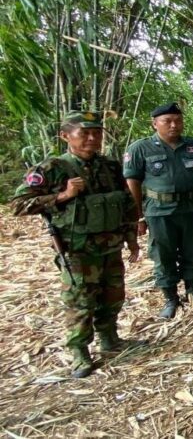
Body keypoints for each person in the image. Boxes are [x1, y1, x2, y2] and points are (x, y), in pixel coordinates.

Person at [9, 111, 141, 378]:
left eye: (97, 133)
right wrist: (63, 195)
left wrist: (131, 239)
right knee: (81, 301)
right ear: (65, 136)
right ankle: (80, 352)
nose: (92, 138)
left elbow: (127, 204)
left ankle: (110, 338)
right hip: (78, 249)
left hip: (110, 244)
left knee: (113, 294)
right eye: (85, 133)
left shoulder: (110, 167)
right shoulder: (52, 168)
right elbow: (18, 204)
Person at [124, 103, 193, 319]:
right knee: (163, 254)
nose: (174, 125)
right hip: (159, 211)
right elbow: (133, 183)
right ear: (155, 123)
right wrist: (137, 216)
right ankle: (171, 298)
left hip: (191, 208)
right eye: (168, 121)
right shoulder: (141, 148)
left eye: (178, 120)